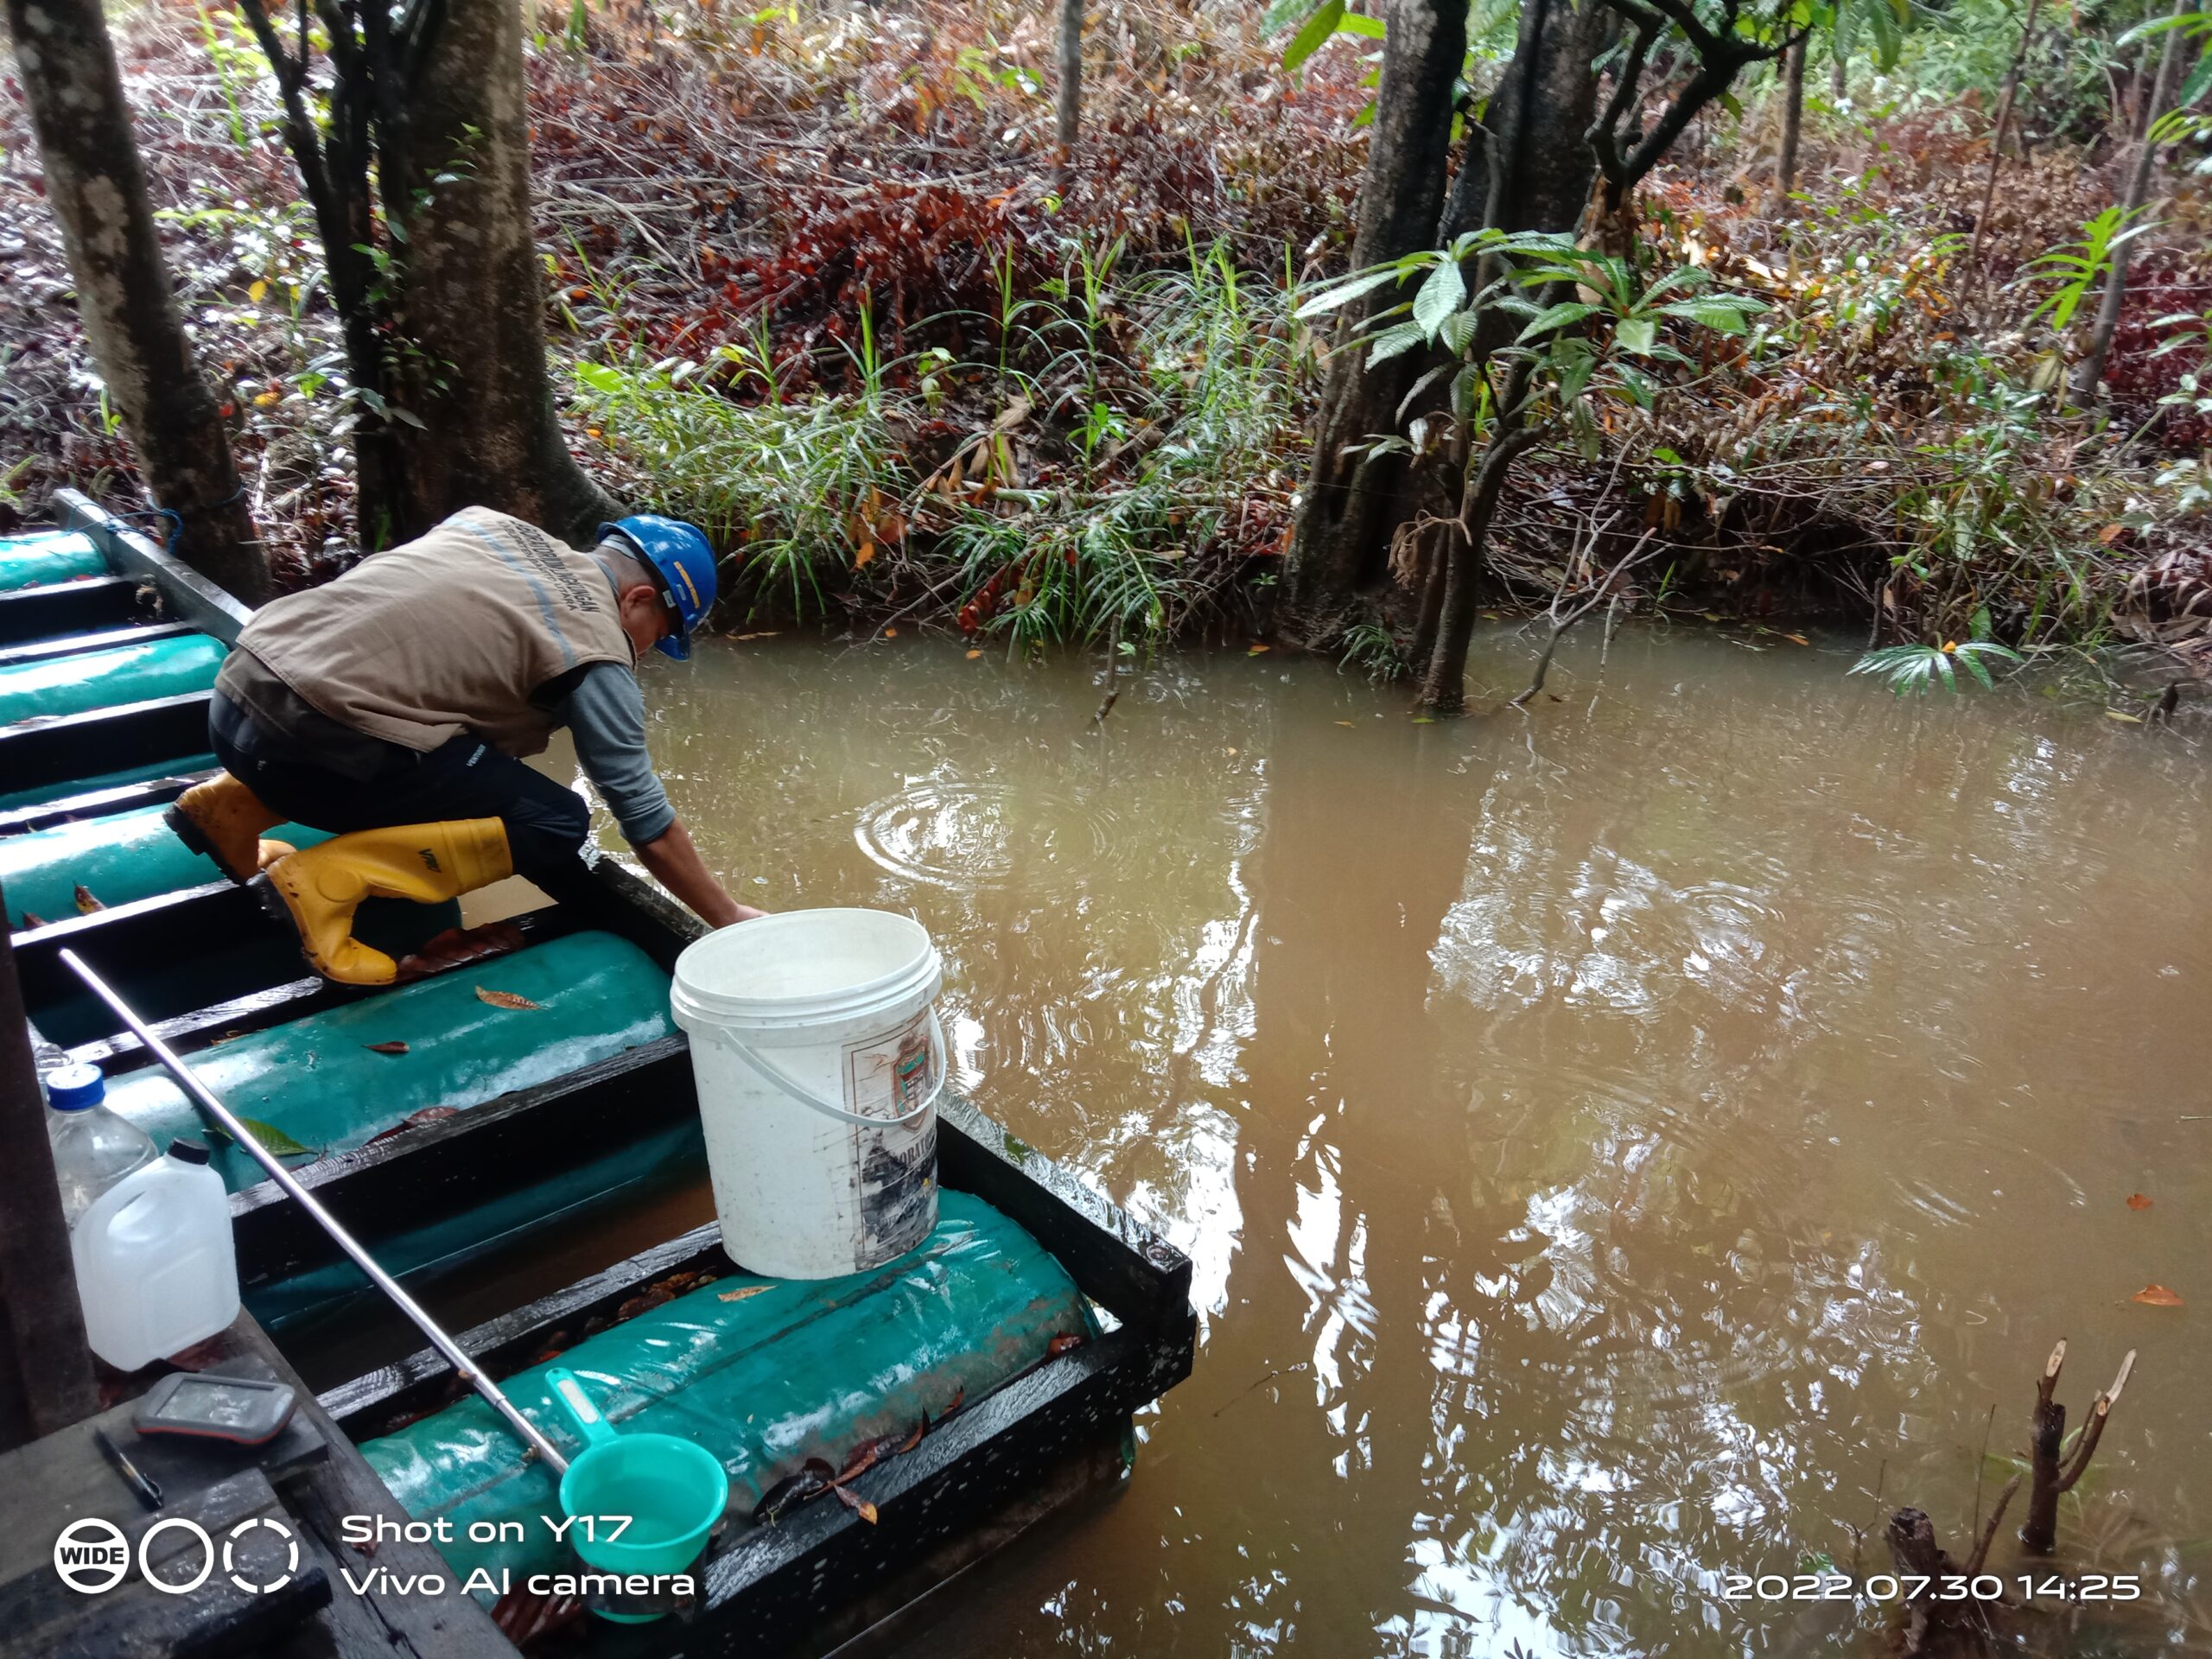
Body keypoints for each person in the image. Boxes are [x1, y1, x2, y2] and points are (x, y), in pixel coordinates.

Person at [166, 506, 762, 985]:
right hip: (315, 754)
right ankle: (322, 885)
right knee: (556, 822)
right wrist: (726, 915)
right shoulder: (598, 652)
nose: (648, 653)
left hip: (236, 697)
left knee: (412, 712)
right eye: (659, 636)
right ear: (638, 599)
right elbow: (645, 822)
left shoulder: (492, 525)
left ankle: (229, 809)